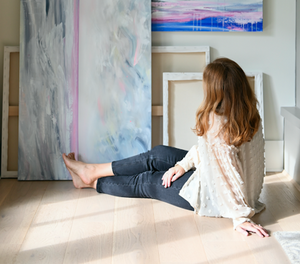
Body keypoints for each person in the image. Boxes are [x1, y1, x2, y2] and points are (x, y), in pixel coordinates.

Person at [63, 57, 269, 238]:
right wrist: (183, 165)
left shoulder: (218, 124)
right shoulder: (250, 114)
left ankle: (90, 182)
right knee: (158, 154)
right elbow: (211, 155)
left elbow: (229, 176)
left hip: (213, 195)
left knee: (149, 181)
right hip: (217, 178)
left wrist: (239, 217)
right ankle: (91, 171)